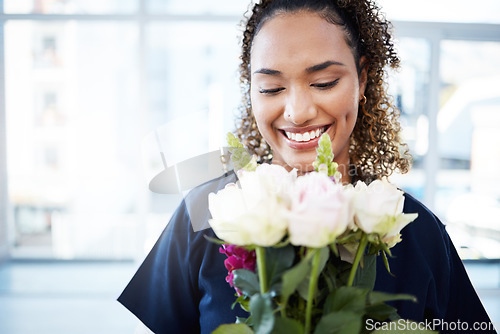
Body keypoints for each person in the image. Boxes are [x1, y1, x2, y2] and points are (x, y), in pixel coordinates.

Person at [118, 0, 497, 333]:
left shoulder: (414, 229)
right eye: (270, 88)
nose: (297, 112)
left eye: (324, 82)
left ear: (362, 78)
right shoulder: (206, 211)